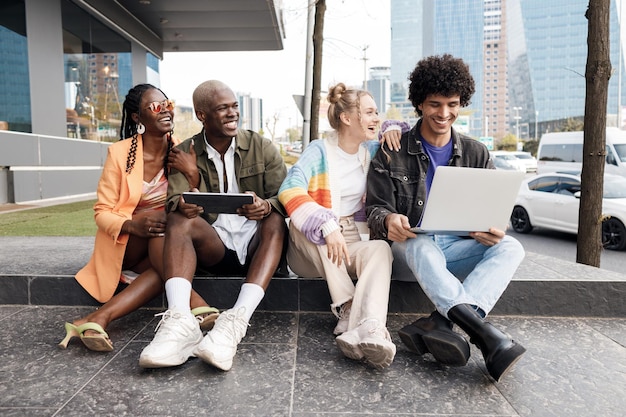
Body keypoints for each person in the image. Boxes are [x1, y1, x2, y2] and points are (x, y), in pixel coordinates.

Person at [366, 54, 526, 382]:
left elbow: (497, 210)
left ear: (462, 102)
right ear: (420, 104)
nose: (444, 113)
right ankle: (485, 336)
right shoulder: (391, 149)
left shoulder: (477, 153)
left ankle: (442, 323)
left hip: (455, 247)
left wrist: (495, 229)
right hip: (409, 250)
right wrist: (389, 220)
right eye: (434, 104)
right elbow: (374, 209)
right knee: (423, 245)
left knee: (511, 248)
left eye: (452, 104)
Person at [138, 80, 288, 371]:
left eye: (234, 106)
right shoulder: (185, 151)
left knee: (276, 218)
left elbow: (285, 195)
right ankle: (181, 321)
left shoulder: (261, 146)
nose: (233, 113)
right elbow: (173, 201)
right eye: (223, 108)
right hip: (214, 247)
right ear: (202, 115)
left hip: (258, 246)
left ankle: (236, 321)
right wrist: (184, 204)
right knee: (180, 217)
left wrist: (267, 205)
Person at [59, 84, 218, 352]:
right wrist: (132, 224)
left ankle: (96, 319)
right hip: (126, 242)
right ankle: (194, 303)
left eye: (168, 104)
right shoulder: (120, 153)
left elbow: (199, 205)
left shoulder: (182, 151)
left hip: (162, 243)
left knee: (162, 258)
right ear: (137, 117)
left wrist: (192, 175)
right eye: (156, 107)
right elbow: (102, 211)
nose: (165, 111)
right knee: (161, 232)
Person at [278, 83, 396, 369]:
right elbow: (289, 189)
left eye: (376, 113)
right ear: (347, 118)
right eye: (369, 112)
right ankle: (348, 306)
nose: (375, 118)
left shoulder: (369, 151)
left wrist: (393, 125)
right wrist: (326, 224)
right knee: (310, 226)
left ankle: (369, 328)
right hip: (308, 248)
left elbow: (402, 129)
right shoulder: (319, 150)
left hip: (348, 240)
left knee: (380, 249)